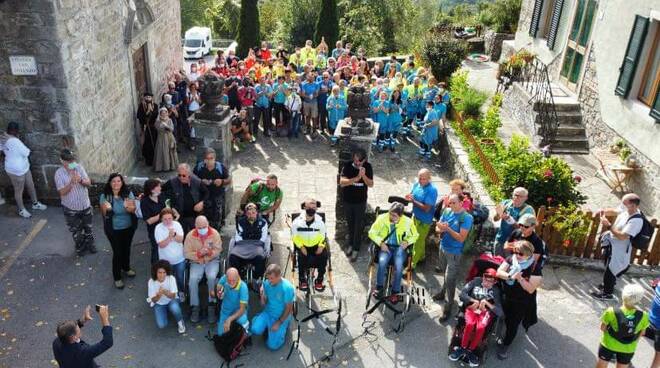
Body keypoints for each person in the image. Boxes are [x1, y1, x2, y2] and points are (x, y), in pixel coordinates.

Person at [495, 240, 543, 360]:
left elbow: (531, 289)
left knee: (513, 324)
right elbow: (499, 272)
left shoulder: (534, 267)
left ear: (529, 254)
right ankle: (500, 333)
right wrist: (510, 276)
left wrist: (520, 279)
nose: (517, 255)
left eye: (520, 254)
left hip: (521, 301)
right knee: (502, 317)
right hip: (506, 296)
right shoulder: (512, 259)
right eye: (515, 251)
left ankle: (506, 345)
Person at [592, 193, 644, 300]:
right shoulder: (627, 209)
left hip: (620, 249)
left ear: (633, 205)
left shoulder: (636, 221)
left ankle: (607, 294)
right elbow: (616, 211)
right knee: (609, 265)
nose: (622, 205)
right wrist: (603, 211)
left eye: (625, 203)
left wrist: (608, 225)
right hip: (613, 244)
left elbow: (623, 237)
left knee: (611, 270)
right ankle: (608, 284)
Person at [449, 268, 503, 366]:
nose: (487, 283)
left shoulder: (495, 290)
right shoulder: (476, 281)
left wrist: (486, 303)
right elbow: (462, 294)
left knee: (480, 328)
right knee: (469, 324)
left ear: (495, 282)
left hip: (485, 312)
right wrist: (473, 300)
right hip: (472, 307)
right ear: (483, 276)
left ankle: (470, 350)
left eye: (491, 282)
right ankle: (463, 348)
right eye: (485, 279)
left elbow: (500, 312)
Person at [368, 202, 419, 304]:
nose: (391, 216)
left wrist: (407, 242)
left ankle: (395, 292)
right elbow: (371, 232)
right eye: (390, 213)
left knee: (399, 267)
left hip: (399, 248)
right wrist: (380, 243)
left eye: (394, 215)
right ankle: (379, 288)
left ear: (401, 216)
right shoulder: (382, 218)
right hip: (385, 246)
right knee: (382, 263)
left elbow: (415, 235)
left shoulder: (408, 222)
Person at [434, 193, 474, 322]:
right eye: (449, 202)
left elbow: (461, 238)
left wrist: (447, 229)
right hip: (443, 248)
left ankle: (449, 306)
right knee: (444, 273)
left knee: (450, 279)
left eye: (453, 203)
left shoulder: (466, 218)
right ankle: (442, 292)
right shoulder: (447, 210)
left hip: (455, 253)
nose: (450, 205)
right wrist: (440, 229)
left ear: (462, 203)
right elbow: (437, 227)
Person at [596, 284, 649, 368]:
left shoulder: (611, 311)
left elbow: (602, 328)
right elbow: (642, 333)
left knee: (601, 365)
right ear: (639, 300)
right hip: (628, 349)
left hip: (608, 344)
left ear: (623, 295)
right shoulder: (644, 316)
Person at [99, 173, 138, 289]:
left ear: (122, 182)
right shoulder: (105, 196)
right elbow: (104, 214)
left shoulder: (127, 193)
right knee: (117, 252)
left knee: (126, 249)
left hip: (128, 227)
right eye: (113, 181)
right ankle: (117, 277)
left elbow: (133, 210)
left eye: (118, 181)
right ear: (110, 183)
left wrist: (128, 208)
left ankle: (126, 268)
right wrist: (109, 209)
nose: (116, 183)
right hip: (113, 229)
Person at [1, 121, 47, 218]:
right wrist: (16, 140)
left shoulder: (3, 138)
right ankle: (21, 210)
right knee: (18, 190)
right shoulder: (16, 141)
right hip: (16, 170)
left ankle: (35, 204)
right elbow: (27, 152)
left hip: (24, 167)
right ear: (16, 131)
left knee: (30, 185)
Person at [55, 149, 96, 256]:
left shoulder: (78, 167)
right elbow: (62, 192)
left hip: (85, 205)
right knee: (76, 232)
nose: (71, 163)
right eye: (68, 161)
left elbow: (88, 183)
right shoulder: (59, 174)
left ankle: (90, 244)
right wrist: (71, 183)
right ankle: (80, 247)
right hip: (71, 209)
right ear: (62, 161)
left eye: (72, 160)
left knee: (88, 228)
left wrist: (81, 181)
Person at [184, 215, 222, 323]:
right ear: (195, 226)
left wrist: (210, 253)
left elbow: (218, 249)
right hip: (197, 262)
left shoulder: (214, 234)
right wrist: (198, 254)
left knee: (211, 277)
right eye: (199, 228)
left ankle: (211, 305)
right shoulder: (190, 236)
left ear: (208, 224)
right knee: (192, 280)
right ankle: (195, 306)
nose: (202, 229)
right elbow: (186, 253)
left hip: (212, 261)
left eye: (204, 227)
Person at [339, 148, 374, 262]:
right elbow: (342, 182)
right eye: (356, 161)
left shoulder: (368, 167)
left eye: (359, 161)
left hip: (360, 202)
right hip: (348, 201)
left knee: (358, 226)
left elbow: (371, 184)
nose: (357, 163)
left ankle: (356, 249)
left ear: (364, 160)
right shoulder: (348, 166)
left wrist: (363, 176)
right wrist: (356, 178)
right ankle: (350, 244)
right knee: (350, 224)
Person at [251, 264, 295, 351]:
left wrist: (279, 322)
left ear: (279, 276)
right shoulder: (266, 283)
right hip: (268, 313)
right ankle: (263, 323)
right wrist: (262, 296)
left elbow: (289, 309)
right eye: (268, 278)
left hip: (281, 316)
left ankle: (284, 328)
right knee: (255, 329)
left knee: (272, 346)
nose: (269, 281)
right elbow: (264, 303)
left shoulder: (287, 288)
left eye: (272, 278)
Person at [291, 198, 328, 291]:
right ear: (304, 207)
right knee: (301, 257)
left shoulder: (320, 222)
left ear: (316, 208)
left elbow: (323, 235)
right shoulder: (297, 222)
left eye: (314, 207)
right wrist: (301, 246)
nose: (311, 209)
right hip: (303, 246)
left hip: (316, 246)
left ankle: (319, 280)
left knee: (324, 256)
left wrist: (321, 246)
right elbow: (294, 236)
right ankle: (302, 280)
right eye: (309, 206)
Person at [405, 169, 438, 270]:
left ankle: (412, 265)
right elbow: (411, 195)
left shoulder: (432, 190)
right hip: (415, 216)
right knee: (420, 239)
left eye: (424, 179)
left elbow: (426, 208)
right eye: (420, 178)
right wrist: (409, 197)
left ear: (429, 178)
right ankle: (422, 256)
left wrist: (413, 201)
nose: (422, 180)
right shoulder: (416, 184)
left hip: (424, 221)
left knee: (417, 242)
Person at [162, 163, 208, 234]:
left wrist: (202, 203)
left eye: (184, 175)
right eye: (179, 175)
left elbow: (207, 193)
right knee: (182, 235)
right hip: (180, 216)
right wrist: (170, 207)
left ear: (189, 174)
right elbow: (162, 191)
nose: (181, 177)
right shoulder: (173, 182)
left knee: (196, 235)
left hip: (194, 215)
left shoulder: (197, 181)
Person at [229, 203, 269, 281]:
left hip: (257, 244)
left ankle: (256, 278)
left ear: (257, 212)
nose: (251, 215)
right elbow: (238, 237)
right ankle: (238, 276)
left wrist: (258, 244)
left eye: (253, 213)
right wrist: (242, 244)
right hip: (242, 244)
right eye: (249, 213)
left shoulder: (263, 222)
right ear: (246, 214)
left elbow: (263, 238)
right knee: (233, 255)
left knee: (260, 256)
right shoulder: (241, 222)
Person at [194, 148, 231, 230]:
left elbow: (229, 180)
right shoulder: (199, 167)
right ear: (204, 159)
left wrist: (221, 181)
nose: (209, 161)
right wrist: (200, 181)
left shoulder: (220, 167)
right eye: (207, 159)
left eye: (211, 158)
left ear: (215, 159)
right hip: (203, 196)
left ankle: (216, 232)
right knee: (203, 216)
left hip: (217, 196)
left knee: (217, 216)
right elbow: (192, 177)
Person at [493, 187, 535, 256]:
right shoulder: (506, 203)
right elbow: (495, 219)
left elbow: (524, 229)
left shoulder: (528, 210)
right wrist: (498, 214)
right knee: (496, 262)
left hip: (515, 244)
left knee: (510, 265)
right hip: (500, 239)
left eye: (520, 196)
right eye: (515, 195)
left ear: (526, 198)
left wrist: (509, 219)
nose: (516, 197)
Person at [154, 208, 186, 298]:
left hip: (179, 259)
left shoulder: (177, 225)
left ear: (173, 218)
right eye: (165, 219)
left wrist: (174, 235)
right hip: (166, 261)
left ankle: (181, 292)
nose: (168, 221)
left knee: (180, 278)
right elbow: (161, 245)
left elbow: (180, 240)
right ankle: (171, 295)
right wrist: (169, 237)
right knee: (168, 279)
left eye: (170, 218)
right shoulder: (158, 228)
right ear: (161, 219)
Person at [148, 260, 186, 334]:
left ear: (167, 272)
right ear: (155, 272)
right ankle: (167, 310)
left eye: (164, 272)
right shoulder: (151, 281)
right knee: (162, 325)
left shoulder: (171, 278)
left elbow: (173, 296)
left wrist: (164, 292)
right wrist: (158, 295)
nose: (162, 275)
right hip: (159, 304)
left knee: (174, 307)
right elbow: (154, 300)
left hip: (171, 300)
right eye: (159, 272)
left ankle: (180, 321)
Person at [140, 179, 172, 265]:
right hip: (154, 230)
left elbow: (168, 206)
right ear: (152, 189)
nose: (160, 187)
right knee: (156, 249)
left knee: (167, 246)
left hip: (166, 227)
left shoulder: (161, 196)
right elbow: (149, 221)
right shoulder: (144, 202)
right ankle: (156, 269)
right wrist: (162, 214)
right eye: (158, 186)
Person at [215, 267, 250, 336]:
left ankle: (245, 329)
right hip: (226, 311)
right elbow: (219, 285)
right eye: (229, 280)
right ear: (226, 277)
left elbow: (242, 309)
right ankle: (229, 325)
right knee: (221, 334)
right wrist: (219, 292)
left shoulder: (243, 287)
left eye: (233, 280)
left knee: (242, 321)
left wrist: (229, 319)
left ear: (238, 277)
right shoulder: (225, 277)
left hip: (238, 311)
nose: (231, 282)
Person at [153, 107, 179, 172]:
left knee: (169, 151)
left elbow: (172, 129)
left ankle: (170, 166)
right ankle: (161, 166)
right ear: (160, 114)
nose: (164, 114)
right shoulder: (158, 121)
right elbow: (157, 128)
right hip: (161, 138)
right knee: (161, 151)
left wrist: (166, 126)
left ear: (167, 113)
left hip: (169, 137)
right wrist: (161, 126)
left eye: (165, 113)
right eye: (162, 113)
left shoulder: (169, 120)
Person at [137, 93, 159, 166]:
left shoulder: (155, 105)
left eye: (149, 97)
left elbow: (156, 114)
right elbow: (140, 116)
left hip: (153, 128)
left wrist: (151, 111)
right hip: (146, 128)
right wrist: (146, 113)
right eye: (147, 97)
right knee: (147, 144)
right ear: (144, 98)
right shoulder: (142, 106)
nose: (148, 98)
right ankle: (148, 160)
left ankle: (155, 159)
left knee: (155, 142)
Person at [647, 278, 660, 368]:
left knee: (658, 354)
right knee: (633, 335)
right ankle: (623, 358)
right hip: (649, 320)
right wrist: (655, 287)